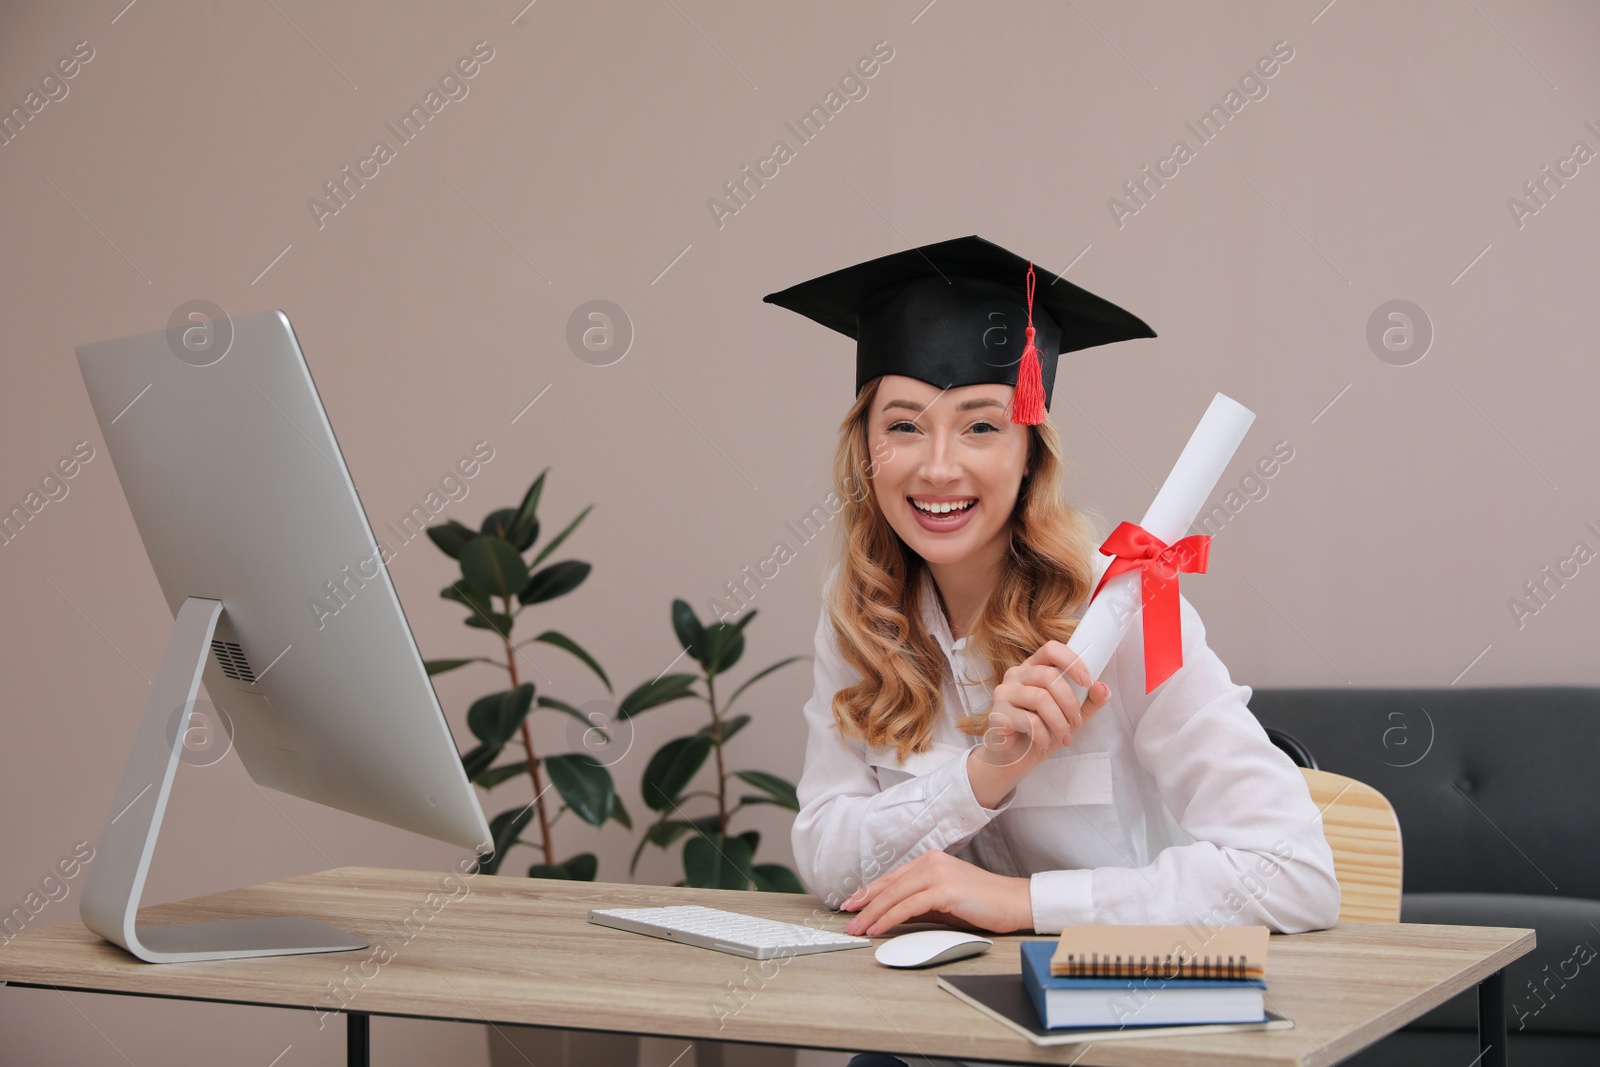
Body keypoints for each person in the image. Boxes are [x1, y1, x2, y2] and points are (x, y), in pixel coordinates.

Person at [763, 234, 1340, 968]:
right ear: (865, 451)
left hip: (1122, 1018)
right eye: (903, 425)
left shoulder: (1127, 610)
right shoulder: (861, 618)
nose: (939, 467)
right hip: (931, 1018)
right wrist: (984, 776)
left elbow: (1295, 874)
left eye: (981, 426)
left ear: (1031, 451)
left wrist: (1025, 903)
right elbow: (828, 861)